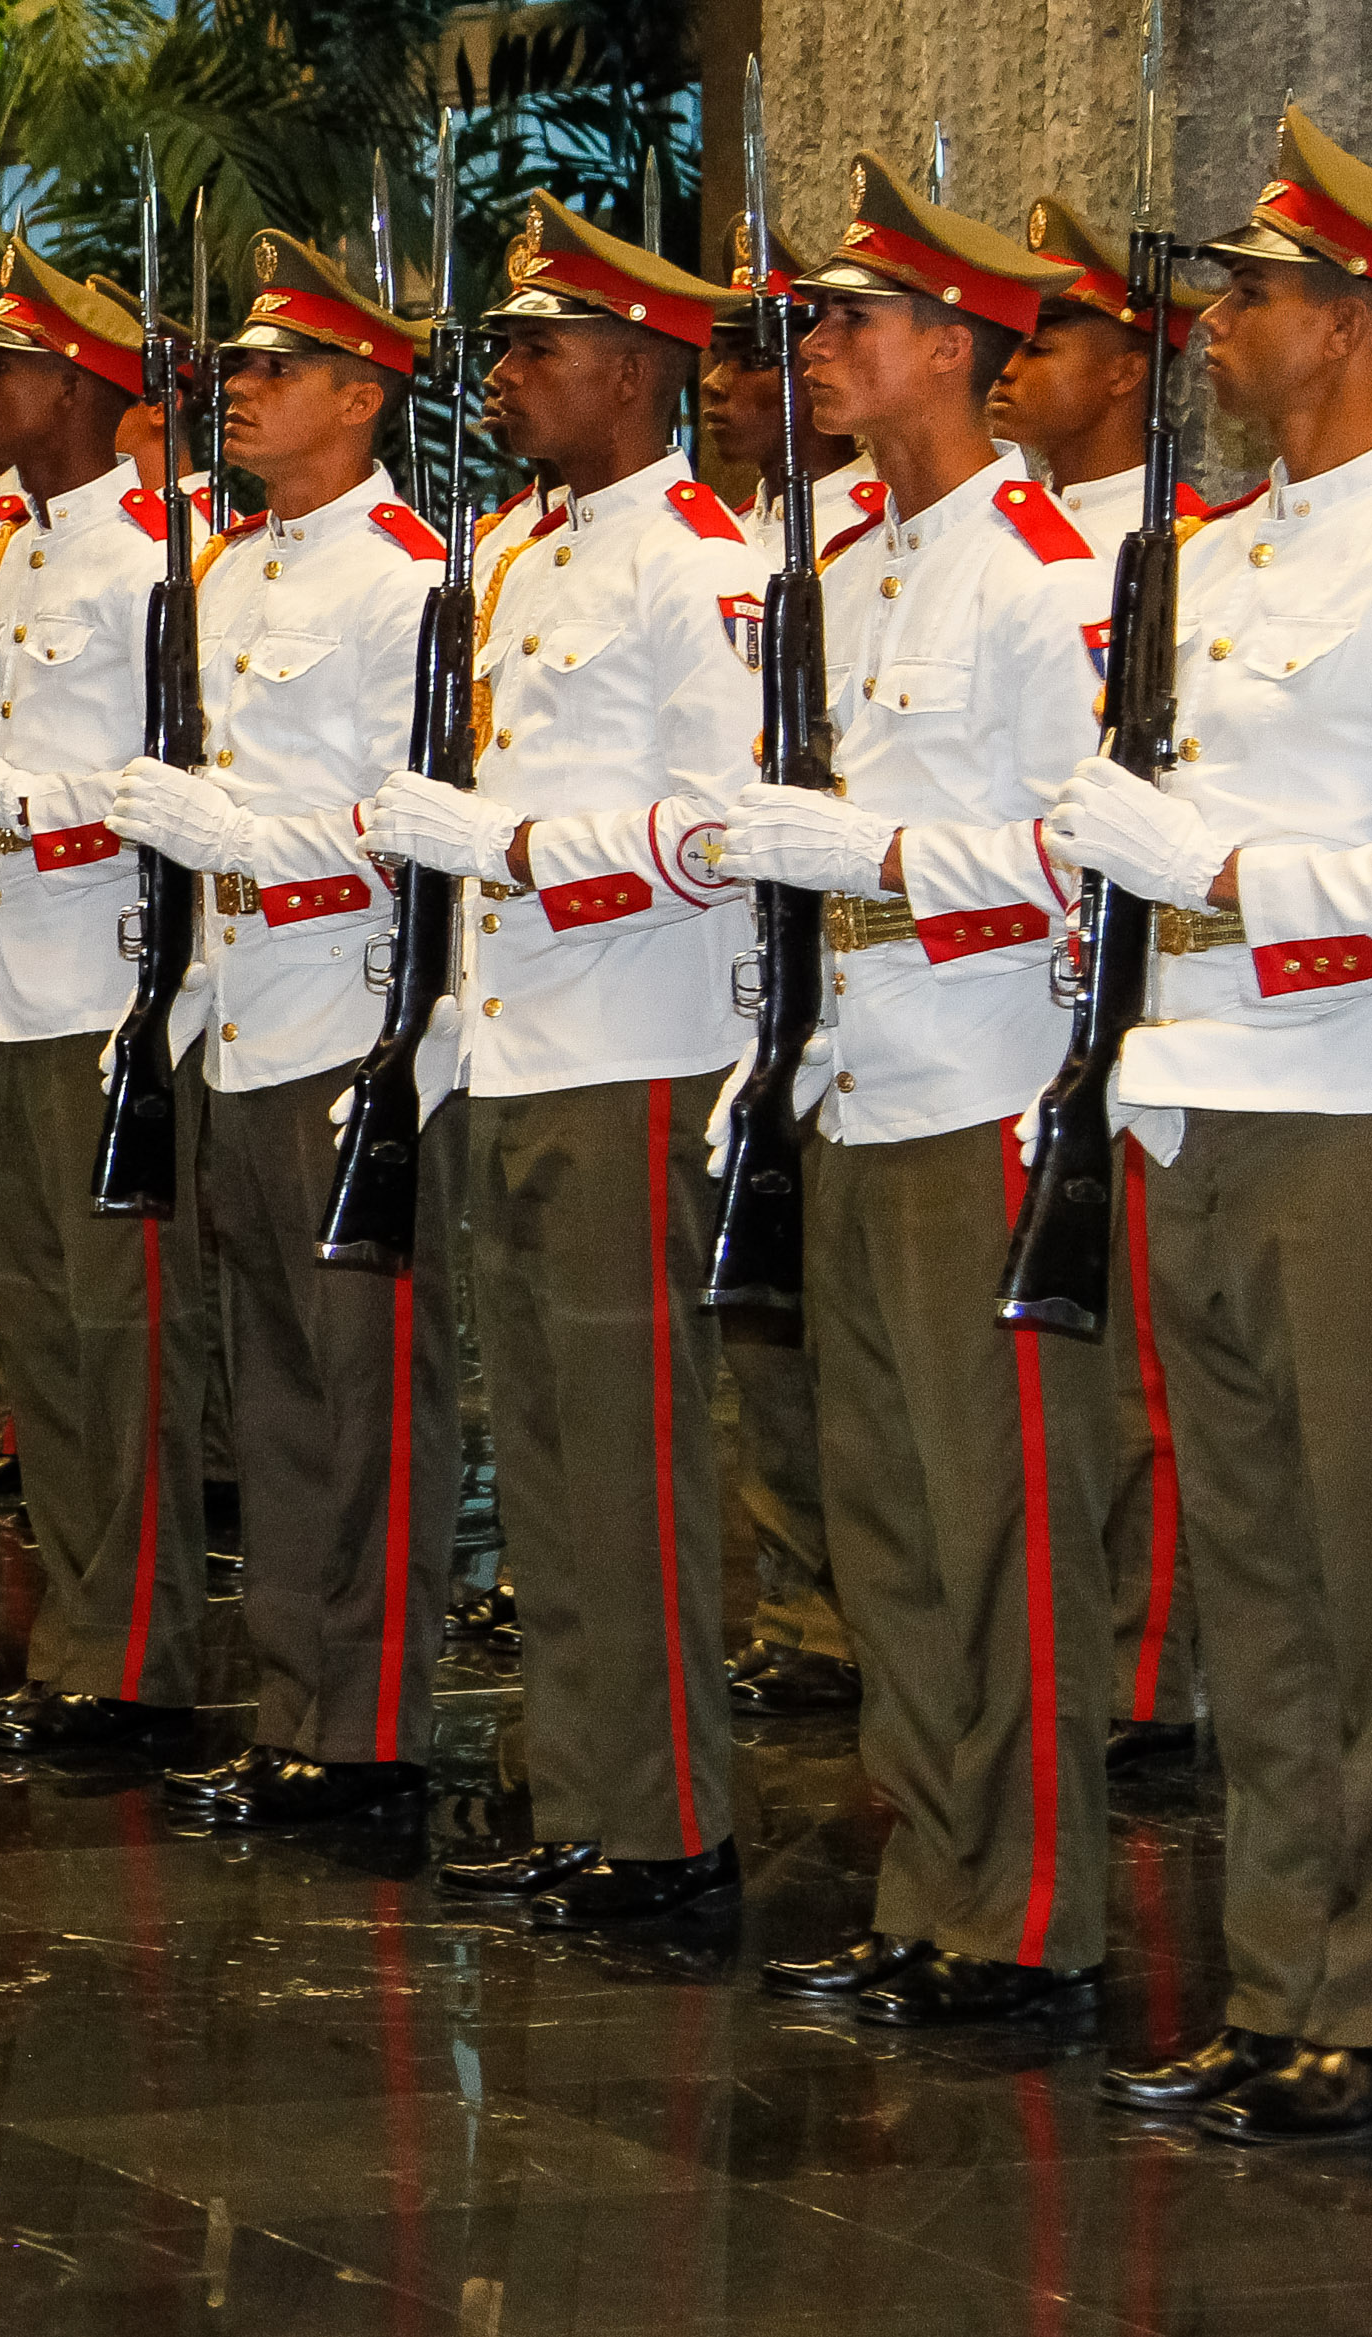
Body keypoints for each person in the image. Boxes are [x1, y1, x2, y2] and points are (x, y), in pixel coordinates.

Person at [712, 161, 1120, 2025]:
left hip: (982, 1078)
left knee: (991, 1515)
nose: (815, 351)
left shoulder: (1052, 575)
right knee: (878, 1510)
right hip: (854, 1069)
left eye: (851, 324)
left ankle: (1025, 1910)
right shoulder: (839, 563)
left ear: (950, 347)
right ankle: (928, 1881)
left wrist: (865, 845)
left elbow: (1081, 851)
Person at [362, 196, 761, 1927]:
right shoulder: (515, 555)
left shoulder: (704, 561)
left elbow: (731, 824)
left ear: (633, 366)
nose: (506, 376)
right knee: (534, 1449)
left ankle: (666, 1820)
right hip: (522, 1041)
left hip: (637, 1040)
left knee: (630, 1451)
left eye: (536, 350)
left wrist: (525, 848)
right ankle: (586, 1789)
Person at [1045, 103, 1372, 2141]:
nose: (1213, 332)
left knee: (1355, 1576)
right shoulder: (1207, 550)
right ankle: (1286, 1986)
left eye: (1247, 299)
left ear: (1346, 321)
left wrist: (1222, 865)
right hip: (1196, 1089)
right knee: (1254, 1585)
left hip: (1344, 1110)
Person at [108, 232, 461, 1816]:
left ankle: (368, 1725)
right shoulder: (229, 566)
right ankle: (290, 1705)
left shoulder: (411, 579)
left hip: (345, 1005)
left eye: (271, 371)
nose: (234, 393)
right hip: (233, 1002)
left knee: (359, 1383)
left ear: (359, 394)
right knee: (266, 1385)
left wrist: (242, 829)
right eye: (234, 369)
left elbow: (412, 817)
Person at [0, 242, 223, 1764]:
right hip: (14, 984)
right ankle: (79, 1633)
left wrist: (19, 803)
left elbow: (177, 784)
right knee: (38, 1330)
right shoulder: (5, 550)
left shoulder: (170, 550)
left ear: (83, 385)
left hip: (115, 989)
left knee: (117, 1333)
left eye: (4, 370)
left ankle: (138, 1652)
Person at [1000, 192, 1227, 1780]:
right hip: (1011, 971)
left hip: (1159, 976)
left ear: (1133, 366)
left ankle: (1145, 1674)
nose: (1012, 368)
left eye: (1048, 338)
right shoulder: (993, 544)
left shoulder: (1192, 550)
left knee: (1143, 1360)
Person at [695, 219, 860, 1721]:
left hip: (855, 961)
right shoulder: (730, 531)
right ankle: (798, 1588)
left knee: (836, 1316)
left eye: (763, 358)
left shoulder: (872, 525)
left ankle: (844, 1602)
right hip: (738, 970)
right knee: (756, 1303)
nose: (738, 388)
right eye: (724, 362)